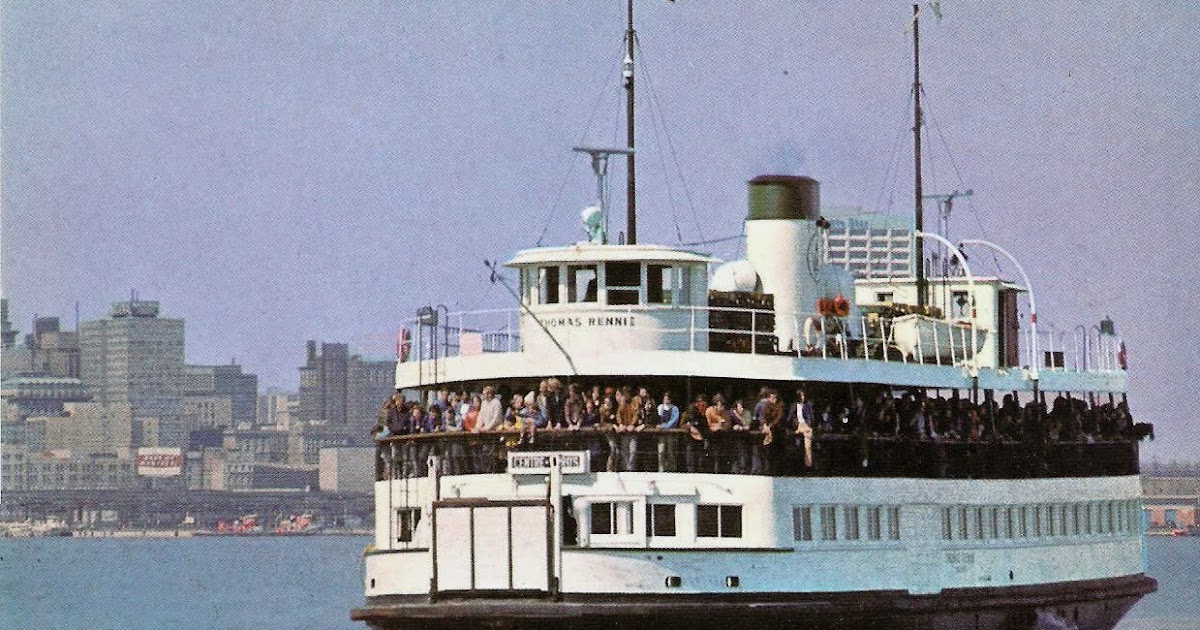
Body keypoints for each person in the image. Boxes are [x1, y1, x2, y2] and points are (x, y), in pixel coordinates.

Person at [787, 390, 814, 470]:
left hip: (805, 425)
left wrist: (808, 425)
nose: (803, 397)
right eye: (801, 396)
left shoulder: (807, 405)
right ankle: (798, 464)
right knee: (797, 445)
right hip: (797, 425)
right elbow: (789, 418)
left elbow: (810, 417)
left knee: (807, 445)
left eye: (803, 396)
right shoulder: (793, 406)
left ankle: (808, 464)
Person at [655, 392, 680, 472]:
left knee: (671, 452)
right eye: (665, 398)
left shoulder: (675, 408)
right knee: (661, 451)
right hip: (661, 433)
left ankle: (672, 470)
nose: (666, 400)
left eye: (668, 399)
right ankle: (661, 470)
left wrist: (664, 426)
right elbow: (657, 418)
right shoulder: (660, 407)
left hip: (671, 433)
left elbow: (674, 421)